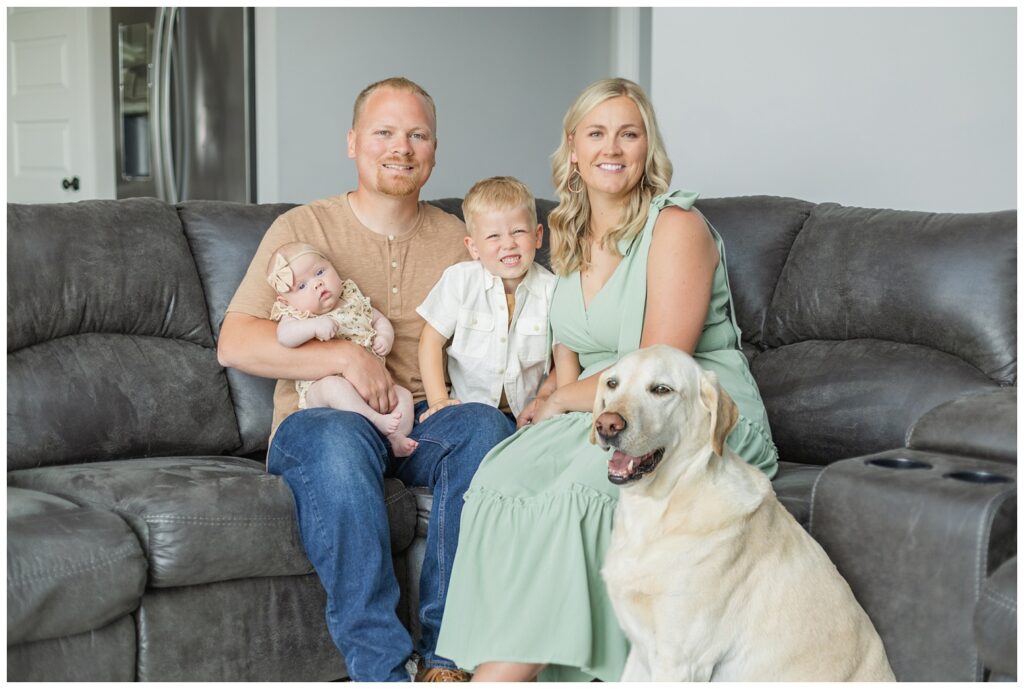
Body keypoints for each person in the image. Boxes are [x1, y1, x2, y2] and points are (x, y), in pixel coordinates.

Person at [434, 78, 779, 682]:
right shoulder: (565, 237)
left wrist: (561, 399)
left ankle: (505, 677)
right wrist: (557, 400)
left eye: (629, 133)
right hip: (604, 408)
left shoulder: (676, 226)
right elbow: (568, 349)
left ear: (648, 148)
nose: (611, 147)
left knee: (585, 489)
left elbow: (660, 366)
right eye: (596, 133)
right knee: (502, 473)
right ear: (573, 149)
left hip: (686, 413)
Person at [218, 77, 516, 682]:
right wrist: (344, 358)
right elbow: (234, 342)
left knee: (486, 427)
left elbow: (515, 320)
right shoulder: (302, 228)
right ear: (353, 142)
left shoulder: (461, 239)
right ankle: (381, 671)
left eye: (417, 134)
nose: (400, 147)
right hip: (320, 421)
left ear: (434, 149)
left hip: (421, 420)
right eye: (384, 132)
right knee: (333, 441)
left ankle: (447, 662)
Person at [416, 176, 556, 425]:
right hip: (468, 414)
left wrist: (545, 400)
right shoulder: (460, 280)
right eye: (494, 236)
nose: (509, 244)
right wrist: (438, 401)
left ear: (537, 235)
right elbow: (430, 341)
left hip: (526, 417)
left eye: (518, 232)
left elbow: (564, 359)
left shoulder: (552, 290)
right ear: (474, 247)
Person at [266, 241, 417, 457]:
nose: (317, 284)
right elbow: (285, 337)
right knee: (333, 386)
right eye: (301, 286)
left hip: (375, 388)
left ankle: (397, 437)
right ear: (286, 302)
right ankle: (375, 421)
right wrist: (312, 327)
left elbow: (378, 319)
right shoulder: (297, 315)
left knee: (403, 395)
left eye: (320, 272)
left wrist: (385, 336)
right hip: (322, 392)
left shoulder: (352, 299)